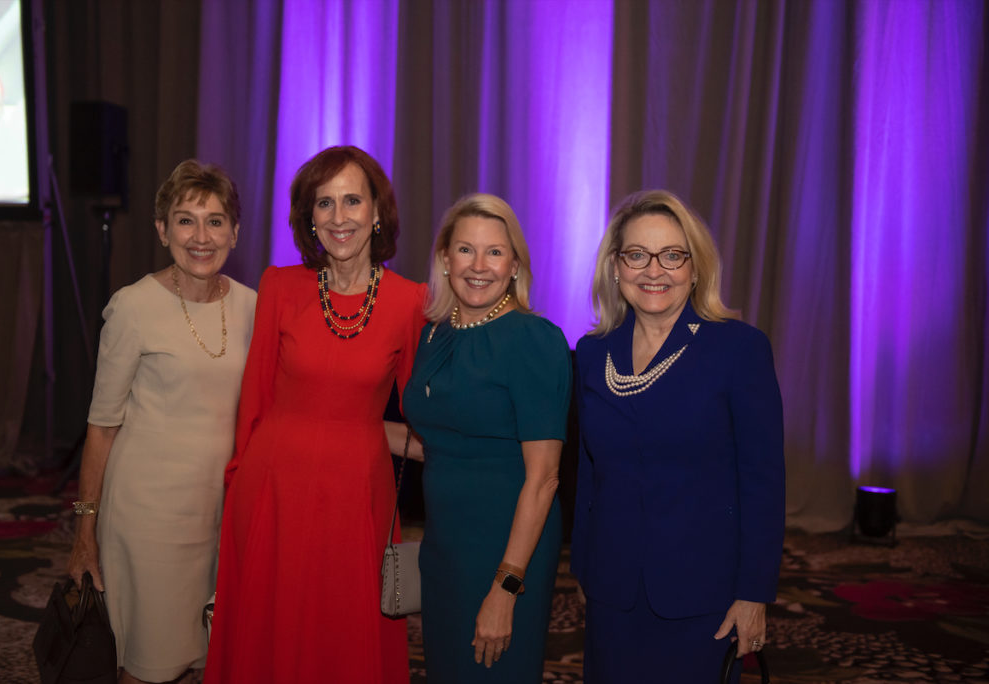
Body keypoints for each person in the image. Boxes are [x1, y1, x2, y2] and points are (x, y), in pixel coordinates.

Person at [203, 146, 427, 684]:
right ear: (309, 217)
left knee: (344, 640)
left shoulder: (410, 300)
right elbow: (254, 400)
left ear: (377, 212)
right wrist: (237, 487)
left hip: (357, 498)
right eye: (324, 203)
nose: (339, 216)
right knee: (268, 637)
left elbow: (424, 413)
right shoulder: (280, 286)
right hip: (272, 492)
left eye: (353, 200)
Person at [571, 189, 785, 683]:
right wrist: (582, 567)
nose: (653, 271)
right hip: (611, 590)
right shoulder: (591, 353)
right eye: (637, 255)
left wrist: (754, 594)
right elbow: (589, 470)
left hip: (703, 596)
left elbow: (763, 482)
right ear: (615, 267)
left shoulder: (739, 350)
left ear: (695, 268)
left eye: (671, 255)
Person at [67, 160, 256, 684]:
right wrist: (85, 534)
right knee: (149, 665)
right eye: (185, 220)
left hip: (219, 516)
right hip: (147, 517)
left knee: (204, 653)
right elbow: (101, 427)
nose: (201, 236)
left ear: (235, 233)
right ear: (162, 230)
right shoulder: (132, 307)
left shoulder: (252, 308)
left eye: (215, 221)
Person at [401, 193, 572, 683]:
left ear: (514, 264)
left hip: (506, 550)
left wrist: (505, 587)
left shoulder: (533, 340)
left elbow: (544, 480)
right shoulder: (435, 335)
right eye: (465, 250)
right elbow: (436, 438)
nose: (479, 266)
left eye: (495, 252)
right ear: (443, 259)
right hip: (444, 548)